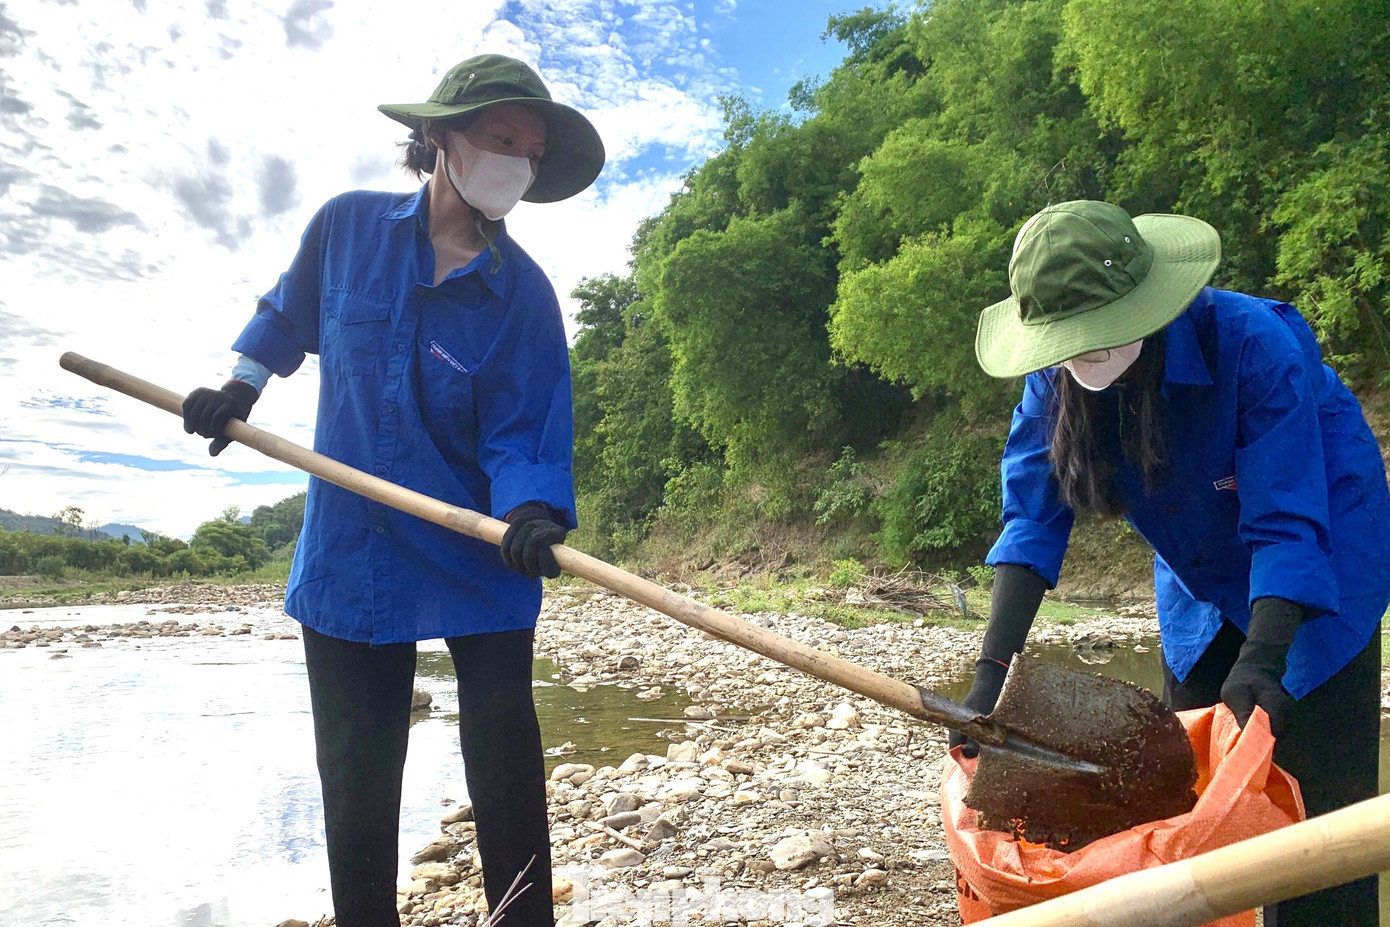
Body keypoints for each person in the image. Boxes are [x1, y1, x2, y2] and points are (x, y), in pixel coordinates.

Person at [181, 53, 605, 927]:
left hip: (478, 540)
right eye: (502, 140)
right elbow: (286, 316)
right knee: (357, 770)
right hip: (355, 542)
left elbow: (522, 426)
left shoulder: (522, 295)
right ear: (442, 137)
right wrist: (239, 388)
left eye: (530, 154)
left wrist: (531, 509)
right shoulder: (347, 228)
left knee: (505, 755)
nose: (517, 166)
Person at [957, 200, 1390, 926]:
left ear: (1145, 304)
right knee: (1179, 807)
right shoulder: (1053, 378)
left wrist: (1264, 658)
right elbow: (1032, 519)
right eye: (1067, 345)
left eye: (1097, 338)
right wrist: (990, 672)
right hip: (1197, 575)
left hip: (1323, 559)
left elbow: (1287, 520)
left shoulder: (1254, 344)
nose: (1081, 357)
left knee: (1315, 828)